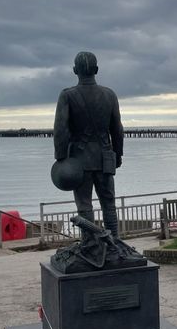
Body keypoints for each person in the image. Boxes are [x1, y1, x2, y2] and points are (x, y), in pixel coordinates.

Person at [52, 51, 125, 238]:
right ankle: (114, 242)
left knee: (84, 205)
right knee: (109, 204)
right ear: (96, 70)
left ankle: (89, 244)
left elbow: (61, 129)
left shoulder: (67, 95)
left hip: (79, 161)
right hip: (105, 158)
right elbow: (117, 129)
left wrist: (61, 158)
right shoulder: (110, 94)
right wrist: (118, 154)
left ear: (75, 70)